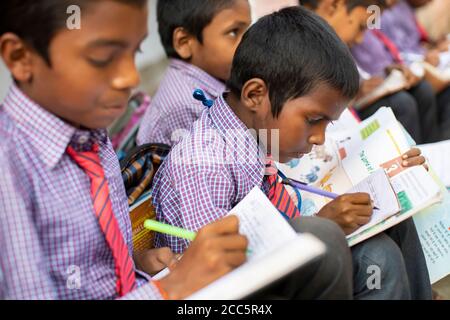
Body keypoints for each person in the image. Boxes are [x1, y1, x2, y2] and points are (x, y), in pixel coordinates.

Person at [0, 0, 352, 300]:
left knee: (354, 251)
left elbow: (85, 270)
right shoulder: (8, 171)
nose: (130, 77)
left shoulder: (91, 138)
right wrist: (172, 287)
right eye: (103, 58)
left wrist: (135, 259)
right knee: (324, 243)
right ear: (20, 58)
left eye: (134, 52)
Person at [152, 6, 432, 299]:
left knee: (391, 214)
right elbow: (221, 276)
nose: (319, 137)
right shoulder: (202, 164)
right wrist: (322, 226)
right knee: (377, 258)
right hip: (241, 291)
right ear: (255, 95)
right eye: (313, 120)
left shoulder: (252, 132)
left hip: (276, 265)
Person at [137, 0, 251, 146]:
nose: (248, 43)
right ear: (184, 42)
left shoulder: (217, 75)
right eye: (233, 32)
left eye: (247, 31)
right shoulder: (187, 106)